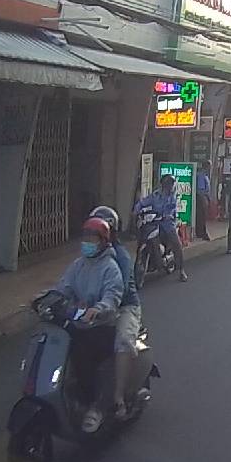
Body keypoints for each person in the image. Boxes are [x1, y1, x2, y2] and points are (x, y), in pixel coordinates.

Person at [53, 215, 125, 432]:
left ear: (103, 242)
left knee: (85, 354)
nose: (87, 242)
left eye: (92, 239)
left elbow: (113, 296)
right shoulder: (78, 265)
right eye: (85, 238)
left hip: (102, 326)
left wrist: (98, 309)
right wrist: (47, 299)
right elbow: (63, 288)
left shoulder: (110, 268)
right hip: (79, 322)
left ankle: (95, 405)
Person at [87, 206, 143, 430]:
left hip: (124, 307)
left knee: (123, 341)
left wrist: (98, 306)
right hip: (97, 308)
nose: (92, 239)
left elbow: (118, 292)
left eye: (98, 233)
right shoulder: (86, 259)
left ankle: (118, 397)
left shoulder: (120, 257)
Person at [133, 174, 188, 282]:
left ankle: (181, 270)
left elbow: (171, 208)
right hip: (154, 223)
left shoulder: (172, 197)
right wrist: (136, 211)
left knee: (176, 245)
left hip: (168, 224)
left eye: (171, 184)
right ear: (163, 185)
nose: (170, 186)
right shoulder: (155, 195)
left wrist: (166, 215)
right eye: (168, 184)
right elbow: (143, 202)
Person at [195, 162, 212, 240]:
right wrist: (205, 198)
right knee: (201, 216)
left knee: (203, 216)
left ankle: (201, 232)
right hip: (201, 198)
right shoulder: (201, 175)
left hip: (204, 197)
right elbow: (200, 190)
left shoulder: (205, 175)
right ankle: (202, 233)